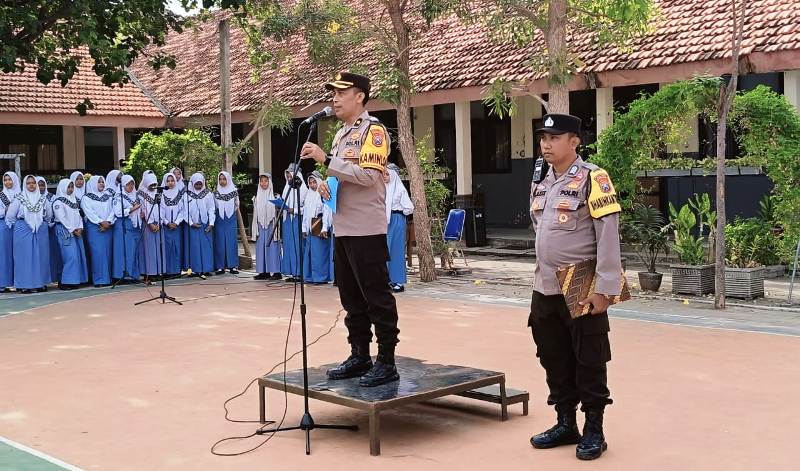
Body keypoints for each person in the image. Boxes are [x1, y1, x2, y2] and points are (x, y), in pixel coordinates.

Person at [527, 114, 622, 461]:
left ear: (575, 141)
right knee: (552, 354)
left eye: (555, 138)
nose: (546, 144)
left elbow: (608, 235)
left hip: (581, 279)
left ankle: (593, 428)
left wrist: (605, 288)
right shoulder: (540, 178)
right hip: (545, 283)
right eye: (543, 138)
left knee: (589, 358)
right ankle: (565, 422)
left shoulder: (593, 178)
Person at [300, 71, 400, 387]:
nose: (334, 98)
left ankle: (386, 361)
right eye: (332, 93)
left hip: (366, 229)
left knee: (377, 297)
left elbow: (369, 177)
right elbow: (344, 175)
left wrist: (325, 158)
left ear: (360, 96)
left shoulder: (374, 132)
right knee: (351, 297)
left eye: (341, 92)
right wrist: (326, 186)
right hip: (343, 227)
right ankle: (359, 355)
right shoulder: (343, 133)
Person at [6, 175, 51, 293]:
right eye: (28, 183)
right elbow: (10, 216)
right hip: (22, 229)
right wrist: (22, 225)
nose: (31, 185)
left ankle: (40, 283)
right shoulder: (19, 198)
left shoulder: (43, 199)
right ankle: (24, 285)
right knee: (24, 257)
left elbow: (49, 215)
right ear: (24, 185)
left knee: (40, 256)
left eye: (33, 183)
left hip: (40, 229)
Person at [52, 179, 88, 289]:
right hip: (65, 231)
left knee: (77, 255)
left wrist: (80, 227)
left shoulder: (73, 200)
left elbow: (78, 216)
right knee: (70, 256)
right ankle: (65, 282)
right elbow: (61, 217)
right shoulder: (58, 201)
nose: (71, 189)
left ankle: (73, 281)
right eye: (68, 187)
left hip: (76, 231)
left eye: (72, 187)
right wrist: (73, 229)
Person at [383, 163, 414, 293]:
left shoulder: (400, 190)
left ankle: (398, 281)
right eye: (383, 174)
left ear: (393, 175)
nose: (384, 177)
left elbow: (409, 208)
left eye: (386, 174)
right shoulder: (382, 189)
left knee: (396, 251)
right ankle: (385, 280)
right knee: (384, 251)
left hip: (396, 220)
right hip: (383, 222)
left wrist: (398, 214)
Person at [81, 176, 115, 287]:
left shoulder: (108, 196)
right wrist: (100, 222)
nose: (101, 184)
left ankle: (108, 278)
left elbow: (113, 210)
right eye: (99, 182)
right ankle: (99, 280)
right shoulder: (86, 198)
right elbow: (89, 212)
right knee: (98, 253)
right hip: (95, 228)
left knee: (108, 252)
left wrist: (108, 222)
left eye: (102, 182)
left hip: (108, 227)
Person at [302, 171, 333, 284]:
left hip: (319, 225)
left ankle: (321, 277)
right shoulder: (309, 195)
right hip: (310, 227)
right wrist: (304, 228)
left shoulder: (322, 194)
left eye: (314, 182)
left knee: (320, 254)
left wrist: (325, 227)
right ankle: (310, 276)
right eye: (310, 182)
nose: (312, 184)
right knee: (310, 253)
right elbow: (306, 213)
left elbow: (326, 210)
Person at [252, 173, 282, 281]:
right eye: (261, 181)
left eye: (266, 181)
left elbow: (280, 210)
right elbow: (255, 213)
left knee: (273, 248)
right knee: (261, 248)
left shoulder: (275, 195)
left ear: (270, 182)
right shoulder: (257, 196)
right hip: (261, 225)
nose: (263, 183)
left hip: (272, 225)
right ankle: (263, 272)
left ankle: (277, 272)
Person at [280, 163, 307, 282]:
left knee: (297, 245)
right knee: (288, 245)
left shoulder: (304, 189)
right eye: (288, 177)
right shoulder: (286, 187)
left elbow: (306, 208)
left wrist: (294, 210)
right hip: (287, 221)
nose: (289, 179)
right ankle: (291, 272)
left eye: (291, 176)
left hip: (297, 220)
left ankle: (299, 273)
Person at [115, 175, 143, 281]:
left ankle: (134, 275)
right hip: (125, 226)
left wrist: (141, 214)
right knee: (127, 251)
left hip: (136, 227)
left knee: (134, 252)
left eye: (132, 184)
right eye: (128, 184)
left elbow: (139, 209)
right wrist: (132, 209)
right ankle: (126, 276)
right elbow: (118, 212)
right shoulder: (119, 196)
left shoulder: (135, 195)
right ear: (123, 185)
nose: (130, 186)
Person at [186, 173, 215, 277]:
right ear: (192, 183)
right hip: (193, 225)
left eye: (200, 184)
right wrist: (191, 222)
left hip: (205, 224)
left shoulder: (208, 194)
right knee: (195, 247)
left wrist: (211, 223)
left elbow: (211, 208)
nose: (198, 186)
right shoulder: (187, 194)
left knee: (206, 247)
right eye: (196, 184)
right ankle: (196, 269)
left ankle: (206, 269)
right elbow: (185, 210)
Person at [213, 171, 239, 275]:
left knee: (231, 242)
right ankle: (220, 267)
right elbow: (214, 206)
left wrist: (230, 212)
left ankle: (233, 266)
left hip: (230, 219)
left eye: (224, 179)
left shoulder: (234, 191)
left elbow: (237, 204)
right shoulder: (216, 193)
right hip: (219, 219)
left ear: (228, 179)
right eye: (220, 179)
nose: (222, 181)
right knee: (219, 242)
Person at [138, 172, 163, 279]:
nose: (153, 187)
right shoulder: (141, 194)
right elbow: (143, 209)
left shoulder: (158, 193)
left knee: (158, 248)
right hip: (147, 225)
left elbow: (162, 208)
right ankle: (149, 272)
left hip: (158, 224)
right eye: (151, 184)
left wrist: (159, 222)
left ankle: (158, 271)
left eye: (154, 184)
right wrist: (150, 223)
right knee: (149, 249)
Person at [37, 176, 61, 284]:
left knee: (53, 254)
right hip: (38, 230)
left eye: (42, 185)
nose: (40, 187)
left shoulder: (52, 197)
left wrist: (50, 223)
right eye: (38, 185)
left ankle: (54, 277)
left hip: (51, 229)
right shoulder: (31, 198)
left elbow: (56, 211)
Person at [160, 172, 184, 277]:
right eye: (168, 181)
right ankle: (167, 271)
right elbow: (159, 211)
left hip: (176, 226)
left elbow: (183, 210)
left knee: (177, 247)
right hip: (166, 227)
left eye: (172, 180)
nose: (170, 183)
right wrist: (167, 222)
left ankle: (176, 270)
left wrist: (176, 222)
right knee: (166, 248)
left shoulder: (179, 194)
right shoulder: (161, 195)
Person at [0, 171, 20, 292]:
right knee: (4, 255)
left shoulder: (22, 194)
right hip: (4, 227)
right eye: (5, 180)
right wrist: (6, 210)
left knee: (19, 255)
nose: (8, 182)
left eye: (10, 179)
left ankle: (19, 282)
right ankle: (2, 283)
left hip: (19, 227)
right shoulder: (1, 195)